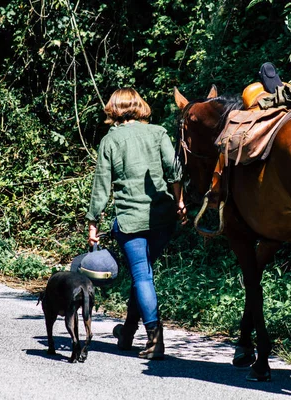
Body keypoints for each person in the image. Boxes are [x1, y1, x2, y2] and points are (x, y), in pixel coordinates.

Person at [85, 87, 187, 359]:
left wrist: (93, 222)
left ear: (114, 109)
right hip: (162, 219)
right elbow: (175, 169)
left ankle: (155, 341)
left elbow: (101, 186)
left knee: (142, 275)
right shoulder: (158, 132)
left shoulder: (111, 140)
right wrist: (179, 201)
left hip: (131, 220)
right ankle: (128, 332)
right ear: (139, 105)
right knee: (144, 275)